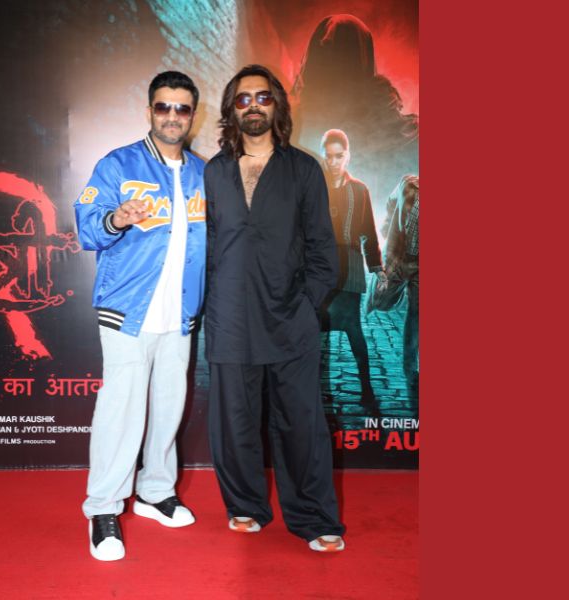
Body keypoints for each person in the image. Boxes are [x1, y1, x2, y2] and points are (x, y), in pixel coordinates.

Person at [204, 64, 345, 552]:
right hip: (229, 318)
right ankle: (245, 505)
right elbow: (207, 244)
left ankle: (314, 517)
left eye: (262, 97)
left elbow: (323, 250)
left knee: (301, 423)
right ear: (231, 109)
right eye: (243, 99)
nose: (253, 106)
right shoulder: (214, 171)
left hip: (290, 319)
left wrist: (306, 306)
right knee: (234, 421)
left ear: (277, 106)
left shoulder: (303, 168)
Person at [74, 71, 206, 561]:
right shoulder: (118, 164)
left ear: (193, 115)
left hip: (180, 312)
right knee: (121, 412)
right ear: (149, 111)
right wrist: (116, 218)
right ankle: (103, 507)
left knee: (169, 408)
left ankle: (155, 491)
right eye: (163, 107)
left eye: (182, 108)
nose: (172, 116)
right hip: (128, 309)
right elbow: (87, 227)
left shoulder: (202, 172)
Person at [292, 14, 418, 207]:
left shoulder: (295, 121)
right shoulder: (293, 123)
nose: (332, 63)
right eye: (326, 52)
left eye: (338, 52)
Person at [318, 129, 386, 414]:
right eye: (329, 156)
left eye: (339, 156)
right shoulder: (314, 185)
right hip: (319, 266)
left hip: (350, 265)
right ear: (324, 156)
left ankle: (367, 390)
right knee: (314, 330)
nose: (334, 162)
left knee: (353, 329)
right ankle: (315, 391)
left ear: (348, 156)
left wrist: (377, 268)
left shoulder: (359, 190)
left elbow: (369, 230)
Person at [382, 174, 419, 399]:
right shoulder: (409, 183)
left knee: (416, 312)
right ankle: (410, 367)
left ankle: (410, 368)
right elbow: (391, 202)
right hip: (403, 258)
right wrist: (388, 227)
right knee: (384, 300)